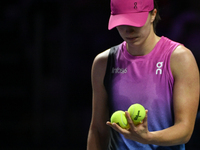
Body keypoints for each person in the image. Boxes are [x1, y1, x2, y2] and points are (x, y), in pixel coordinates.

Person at [87, 0, 199, 149]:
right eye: (122, 23)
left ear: (153, 15)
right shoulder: (103, 62)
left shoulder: (180, 58)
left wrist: (148, 138)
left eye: (135, 21)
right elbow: (98, 130)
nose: (128, 30)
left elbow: (185, 130)